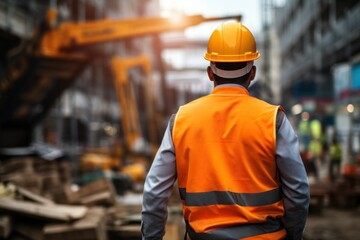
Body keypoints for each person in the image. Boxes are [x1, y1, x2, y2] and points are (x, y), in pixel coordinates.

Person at [141, 21, 309, 240]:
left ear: (210, 73)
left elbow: (154, 193)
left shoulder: (181, 121)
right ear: (253, 73)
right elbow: (298, 191)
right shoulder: (273, 120)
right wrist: (293, 235)